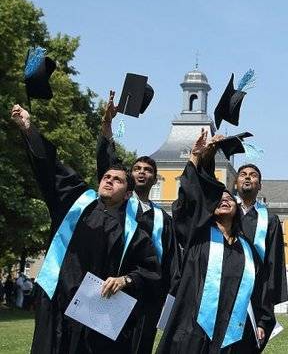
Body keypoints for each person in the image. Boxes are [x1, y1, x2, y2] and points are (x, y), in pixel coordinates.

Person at [11, 104, 161, 353]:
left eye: (117, 180)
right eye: (106, 177)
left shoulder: (134, 232)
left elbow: (150, 271)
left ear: (127, 194)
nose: (109, 181)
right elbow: (51, 167)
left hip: (97, 313)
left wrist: (124, 280)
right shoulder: (77, 200)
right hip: (57, 302)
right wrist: (29, 129)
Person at [157, 130, 272, 353]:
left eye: (229, 198)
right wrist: (197, 157)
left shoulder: (246, 249)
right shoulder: (198, 234)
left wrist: (261, 320)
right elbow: (192, 198)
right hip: (194, 324)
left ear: (237, 208)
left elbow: (260, 287)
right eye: (219, 199)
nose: (224, 200)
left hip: (232, 329)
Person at [99, 90, 181, 354]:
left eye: (148, 170)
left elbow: (170, 263)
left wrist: (169, 297)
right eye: (137, 169)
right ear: (130, 177)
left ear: (155, 178)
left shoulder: (163, 220)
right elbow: (108, 162)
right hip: (114, 287)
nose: (142, 172)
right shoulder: (120, 206)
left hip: (147, 295)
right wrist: (107, 123)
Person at [231, 159, 287, 341]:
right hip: (226, 287)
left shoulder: (269, 220)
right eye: (243, 175)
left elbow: (273, 265)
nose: (248, 177)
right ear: (235, 183)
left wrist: (264, 319)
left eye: (253, 175)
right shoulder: (225, 213)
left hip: (256, 292)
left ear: (260, 185)